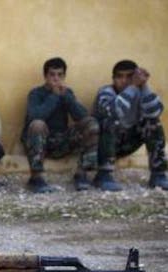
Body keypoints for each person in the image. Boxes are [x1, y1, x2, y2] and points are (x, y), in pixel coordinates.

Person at [22, 57, 99, 193]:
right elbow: (34, 116)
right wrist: (54, 96)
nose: (56, 78)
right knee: (37, 124)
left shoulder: (67, 93)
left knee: (91, 123)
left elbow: (82, 116)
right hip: (40, 142)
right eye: (52, 74)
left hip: (62, 141)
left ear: (64, 76)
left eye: (60, 75)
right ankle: (36, 177)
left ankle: (81, 174)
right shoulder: (35, 93)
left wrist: (67, 98)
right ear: (45, 76)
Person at [92, 60, 167, 191]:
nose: (124, 81)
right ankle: (103, 174)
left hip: (128, 143)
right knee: (111, 121)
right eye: (119, 77)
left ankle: (158, 174)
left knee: (153, 122)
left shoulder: (140, 92)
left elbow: (155, 112)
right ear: (113, 79)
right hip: (103, 147)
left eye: (129, 77)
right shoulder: (106, 92)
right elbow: (115, 112)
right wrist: (132, 86)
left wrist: (144, 86)